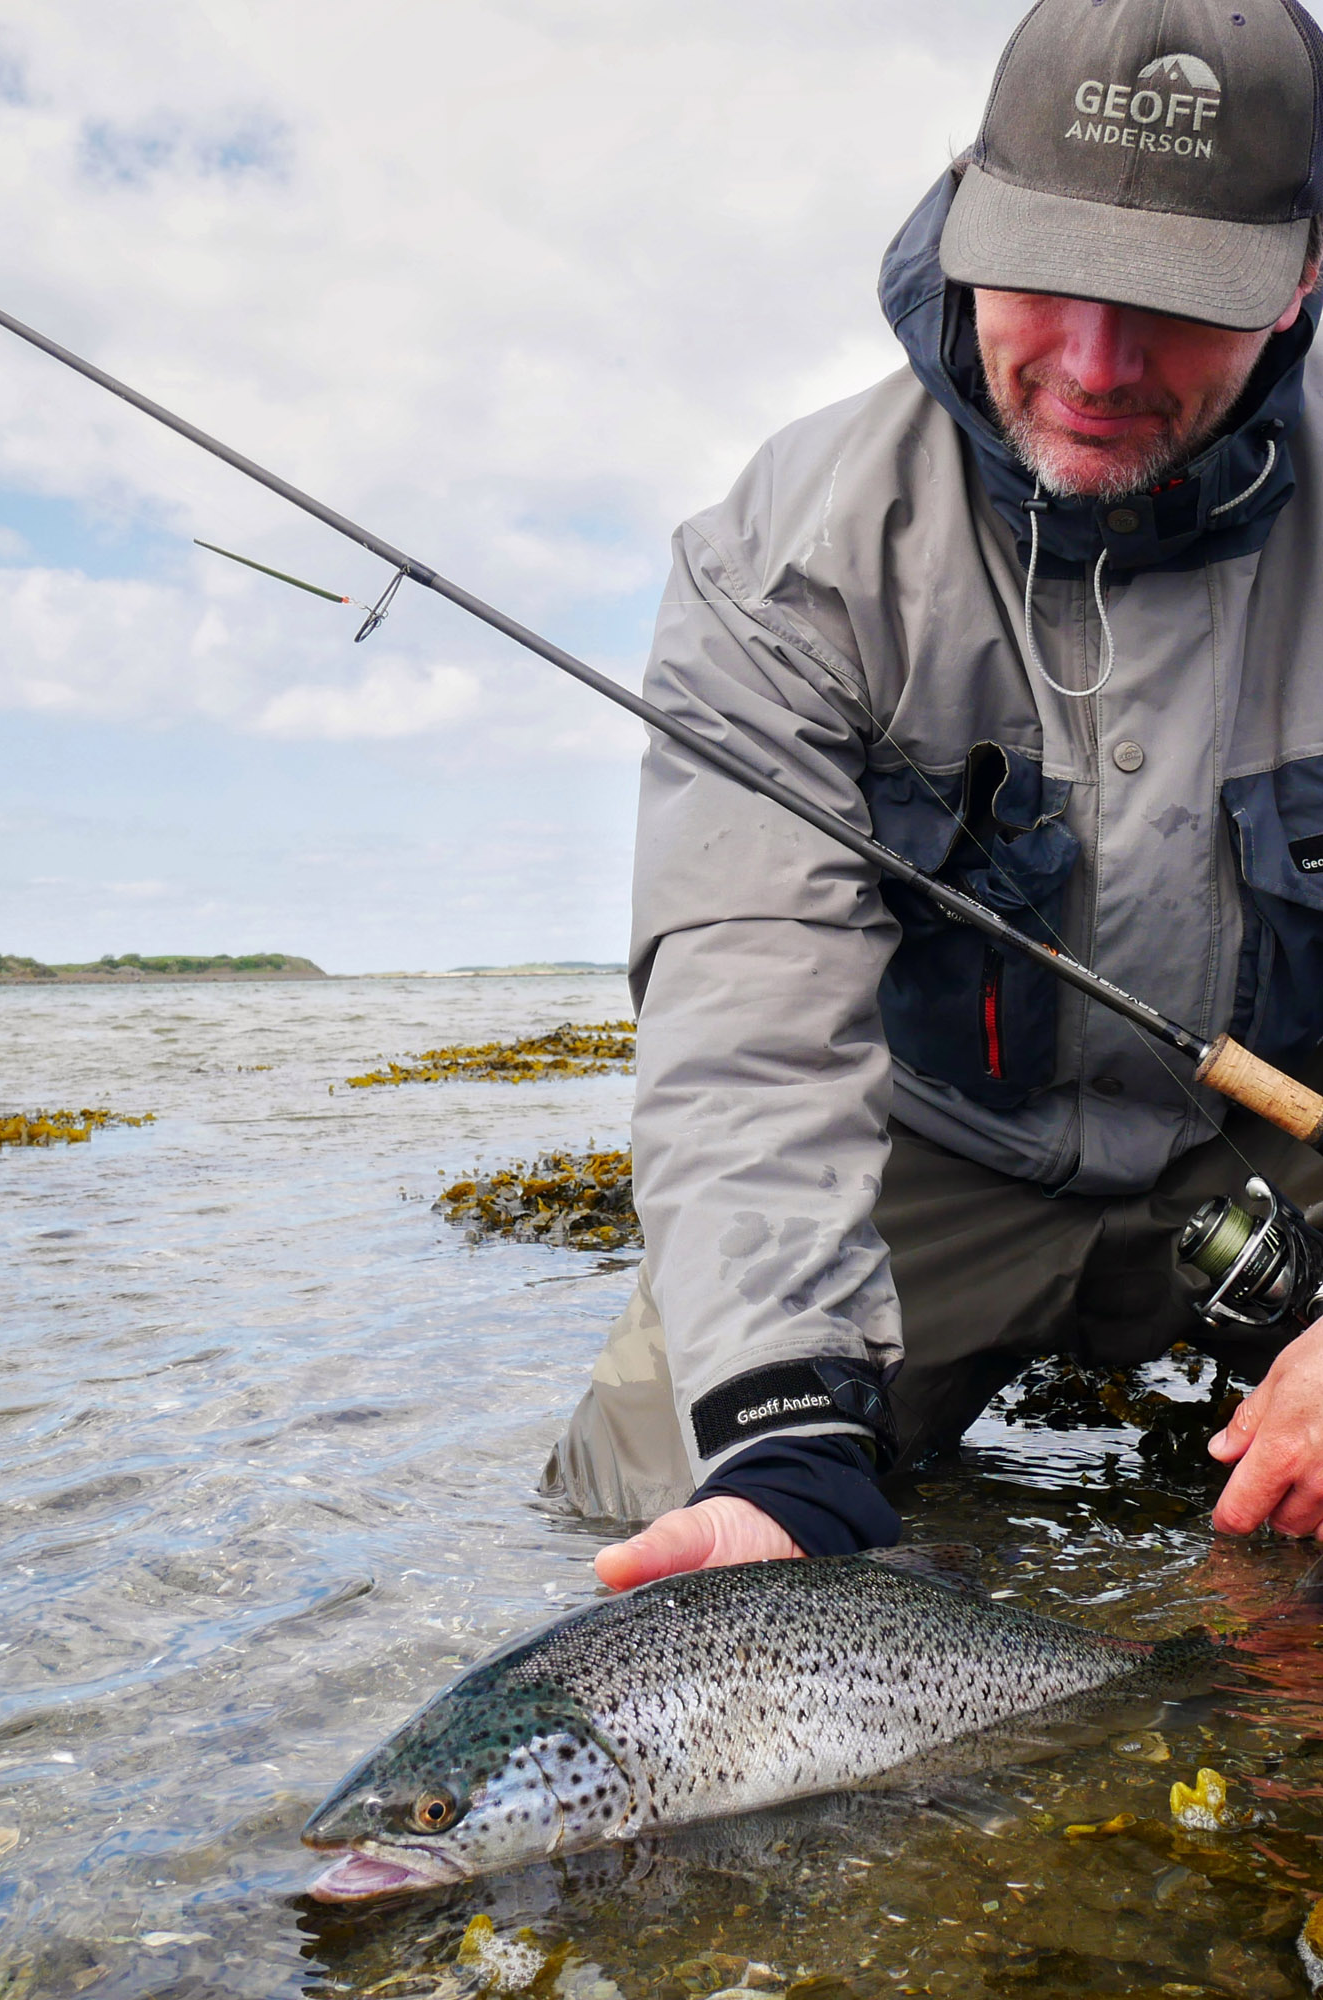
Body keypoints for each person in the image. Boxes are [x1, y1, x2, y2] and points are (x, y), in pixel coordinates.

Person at [540, 0, 1323, 1587]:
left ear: (1303, 278)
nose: (1099, 368)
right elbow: (749, 1016)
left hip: (1277, 1150)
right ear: (962, 218)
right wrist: (781, 1430)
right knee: (650, 1501)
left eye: (1176, 304)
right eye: (1048, 275)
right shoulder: (782, 558)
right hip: (942, 1155)